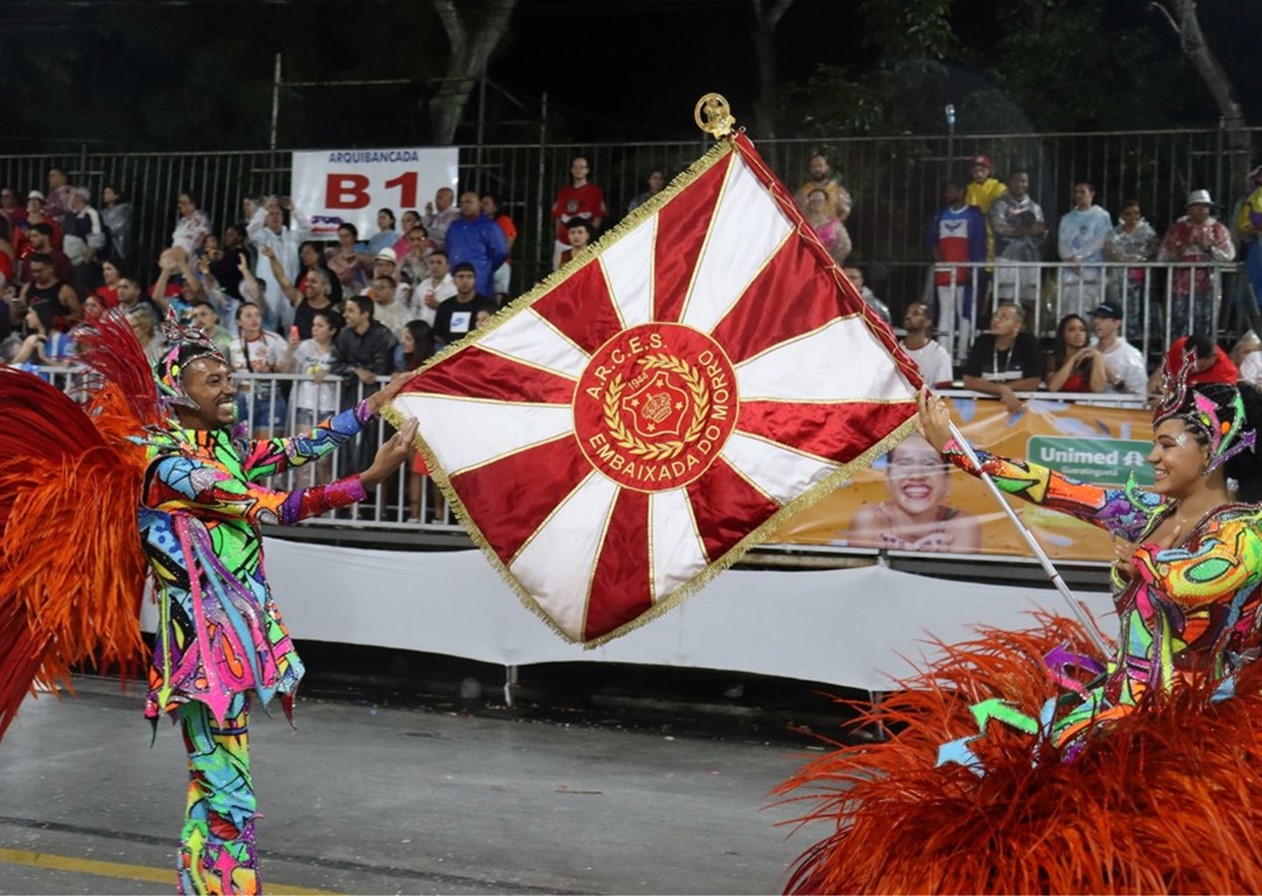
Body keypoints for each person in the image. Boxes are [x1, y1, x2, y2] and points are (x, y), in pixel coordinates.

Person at [778, 371, 1262, 893]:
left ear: (1218, 446)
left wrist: (1142, 561)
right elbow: (1052, 487)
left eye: (1167, 444)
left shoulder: (1244, 533)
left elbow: (1197, 582)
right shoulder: (1148, 514)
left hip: (1181, 717)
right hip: (1116, 699)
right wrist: (958, 450)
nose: (1153, 458)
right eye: (1153, 443)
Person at [847, 433, 981, 553]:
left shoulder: (962, 524)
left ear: (947, 482)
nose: (917, 475)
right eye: (904, 463)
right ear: (887, 479)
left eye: (929, 464)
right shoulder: (869, 519)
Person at [1158, 190, 1236, 339]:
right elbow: (1162, 257)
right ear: (1189, 208)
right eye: (1198, 206)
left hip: (1208, 286)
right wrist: (1178, 252)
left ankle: (1202, 360)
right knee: (1178, 326)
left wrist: (1209, 248)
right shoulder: (1177, 229)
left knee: (1204, 327)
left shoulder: (1218, 229)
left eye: (1205, 206)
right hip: (1180, 287)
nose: (1202, 209)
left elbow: (1229, 256)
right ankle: (1178, 359)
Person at [930, 182, 987, 362]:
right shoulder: (939, 216)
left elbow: (979, 243)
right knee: (945, 312)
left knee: (965, 312)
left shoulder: (973, 215)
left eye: (951, 189)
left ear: (962, 191)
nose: (947, 193)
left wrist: (973, 267)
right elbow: (932, 241)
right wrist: (937, 256)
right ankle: (943, 353)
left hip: (966, 272)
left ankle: (963, 352)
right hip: (945, 271)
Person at [288, 308, 345, 486]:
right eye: (314, 325)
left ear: (332, 330)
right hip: (304, 405)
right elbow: (287, 369)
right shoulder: (305, 346)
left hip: (329, 408)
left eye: (320, 325)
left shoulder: (339, 351)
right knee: (303, 458)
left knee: (324, 461)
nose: (315, 329)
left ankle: (324, 506)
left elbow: (345, 371)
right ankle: (301, 506)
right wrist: (290, 350)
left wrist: (329, 373)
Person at [961, 302, 1042, 414]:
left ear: (1017, 326)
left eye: (1004, 317)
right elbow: (969, 381)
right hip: (983, 410)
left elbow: (1033, 381)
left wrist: (1002, 389)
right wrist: (1002, 390)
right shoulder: (982, 342)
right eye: (995, 316)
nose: (996, 320)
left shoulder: (1028, 343)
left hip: (1019, 410)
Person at [1103, 199, 1161, 349]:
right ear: (1122, 215)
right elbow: (1109, 249)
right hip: (1122, 279)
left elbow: (1155, 247)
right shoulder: (1115, 233)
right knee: (1126, 309)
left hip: (1144, 278)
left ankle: (1147, 343)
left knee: (1145, 308)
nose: (1133, 217)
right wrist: (1126, 259)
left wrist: (1141, 258)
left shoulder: (1147, 231)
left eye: (1136, 213)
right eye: (1128, 214)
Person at [229, 301, 291, 439]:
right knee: (242, 447)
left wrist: (271, 368)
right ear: (239, 321)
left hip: (270, 398)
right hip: (243, 398)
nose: (254, 319)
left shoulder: (274, 340)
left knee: (267, 449)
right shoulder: (232, 344)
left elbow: (287, 368)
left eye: (257, 315)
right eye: (248, 315)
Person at [989, 168, 1046, 305]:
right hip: (1006, 258)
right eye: (1017, 181)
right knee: (1005, 301)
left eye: (1024, 181)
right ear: (1009, 183)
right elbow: (1000, 228)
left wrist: (1040, 233)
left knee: (1030, 303)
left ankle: (1031, 327)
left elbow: (1039, 231)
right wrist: (1028, 230)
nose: (1021, 184)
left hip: (1030, 259)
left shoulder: (1035, 207)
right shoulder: (999, 204)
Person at [1057, 181, 1113, 316]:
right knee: (1069, 308)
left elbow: (1100, 240)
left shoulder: (1101, 216)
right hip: (1070, 271)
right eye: (1076, 192)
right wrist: (1069, 259)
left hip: (1092, 269)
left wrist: (1079, 258)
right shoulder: (1067, 218)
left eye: (1082, 192)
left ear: (1092, 194)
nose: (1078, 195)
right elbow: (1062, 242)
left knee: (1092, 307)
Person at [444, 190, 509, 304]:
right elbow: (448, 248)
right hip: (455, 278)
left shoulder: (490, 226)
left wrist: (485, 266)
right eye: (462, 202)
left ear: (479, 204)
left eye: (469, 202)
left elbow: (501, 252)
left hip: (480, 279)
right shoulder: (455, 226)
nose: (464, 205)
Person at [551, 156, 607, 271]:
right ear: (571, 170)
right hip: (563, 242)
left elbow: (598, 217)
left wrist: (588, 237)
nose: (578, 170)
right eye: (575, 167)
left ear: (587, 170)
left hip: (584, 244)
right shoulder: (564, 192)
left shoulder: (594, 192)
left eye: (582, 167)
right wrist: (558, 237)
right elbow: (557, 217)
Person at [1148, 333, 1239, 400]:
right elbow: (1161, 372)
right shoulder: (1180, 346)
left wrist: (1171, 400)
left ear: (1213, 357)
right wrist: (1157, 380)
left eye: (1200, 366)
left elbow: (1212, 406)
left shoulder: (1227, 374)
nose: (1193, 370)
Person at [432, 262, 498, 347]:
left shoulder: (487, 305)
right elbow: (438, 335)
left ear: (475, 280)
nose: (465, 281)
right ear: (454, 281)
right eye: (460, 276)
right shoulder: (444, 306)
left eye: (469, 276)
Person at [1090, 302, 1148, 394]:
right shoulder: (1087, 348)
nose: (1096, 321)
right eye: (1096, 317)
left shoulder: (1132, 356)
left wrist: (1116, 380)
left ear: (1117, 323)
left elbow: (1139, 395)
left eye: (1103, 318)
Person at [1045, 313, 1106, 393]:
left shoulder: (1092, 359)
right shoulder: (1053, 359)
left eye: (1082, 330)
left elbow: (1098, 389)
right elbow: (1053, 387)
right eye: (1072, 330)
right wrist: (1073, 359)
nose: (1078, 334)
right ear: (1063, 334)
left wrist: (1097, 357)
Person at [899, 301, 953, 388]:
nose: (908, 316)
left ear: (928, 322)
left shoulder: (939, 353)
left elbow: (943, 391)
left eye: (915, 314)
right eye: (907, 313)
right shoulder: (895, 350)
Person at [480, 192, 517, 302]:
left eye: (486, 203)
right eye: (481, 203)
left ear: (495, 207)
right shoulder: (480, 223)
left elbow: (508, 243)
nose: (482, 206)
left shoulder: (503, 221)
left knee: (498, 295)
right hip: (484, 264)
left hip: (499, 263)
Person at [796, 153, 851, 221]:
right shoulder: (803, 191)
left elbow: (844, 211)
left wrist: (833, 225)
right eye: (813, 166)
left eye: (820, 166)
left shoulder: (837, 190)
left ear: (827, 167)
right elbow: (796, 211)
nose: (817, 169)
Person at [805, 188, 851, 267]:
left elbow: (846, 246)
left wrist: (832, 259)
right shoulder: (802, 222)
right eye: (813, 200)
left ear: (825, 202)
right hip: (805, 263)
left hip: (827, 265)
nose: (817, 203)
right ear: (809, 202)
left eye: (820, 200)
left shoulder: (834, 224)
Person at [100, 185, 133, 265]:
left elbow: (122, 226)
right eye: (104, 193)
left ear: (116, 196)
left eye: (108, 193)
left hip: (115, 244)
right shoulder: (103, 212)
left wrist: (108, 231)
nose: (105, 195)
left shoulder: (124, 209)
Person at [171, 191, 211, 255]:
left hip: (191, 256)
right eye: (179, 202)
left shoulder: (200, 219)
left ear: (193, 204)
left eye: (183, 203)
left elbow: (200, 240)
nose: (179, 205)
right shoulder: (182, 221)